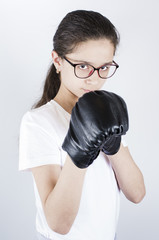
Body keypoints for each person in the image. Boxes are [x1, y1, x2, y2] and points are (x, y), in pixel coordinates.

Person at [19, 10, 146, 240]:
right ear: (58, 60)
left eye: (105, 67)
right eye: (83, 66)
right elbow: (58, 224)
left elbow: (137, 193)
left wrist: (113, 142)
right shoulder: (38, 123)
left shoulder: (103, 111)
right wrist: (79, 150)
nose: (95, 79)